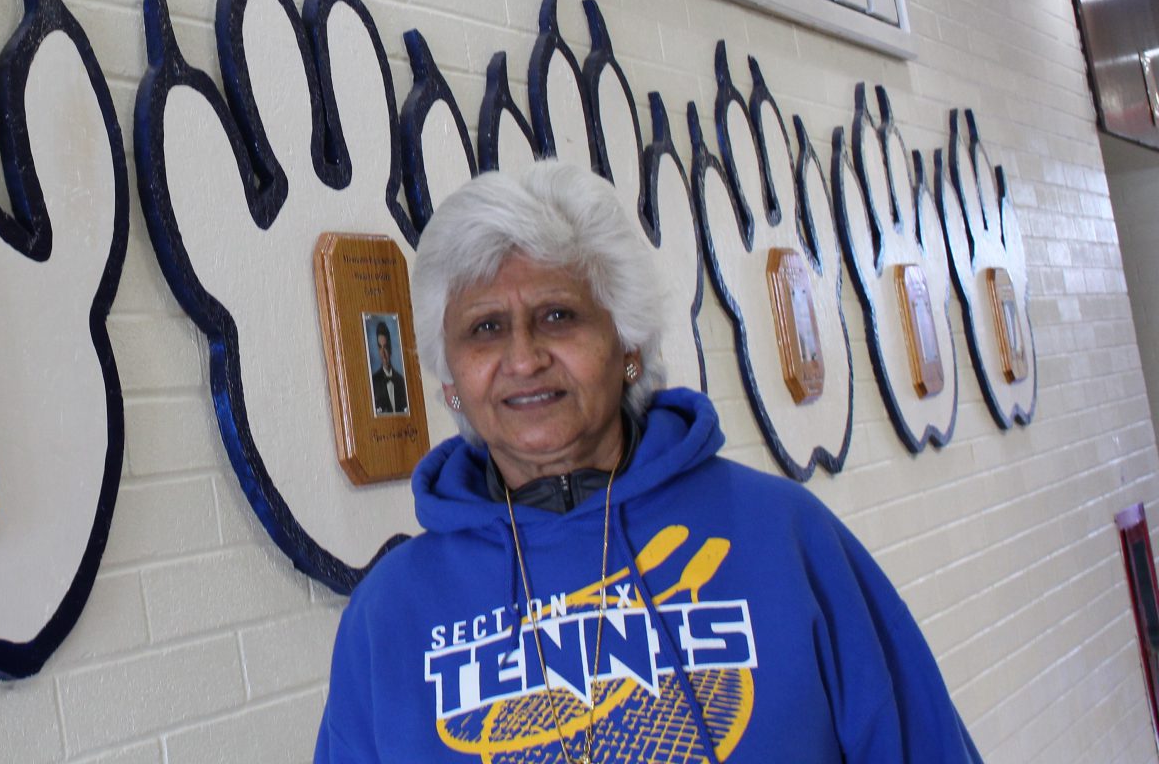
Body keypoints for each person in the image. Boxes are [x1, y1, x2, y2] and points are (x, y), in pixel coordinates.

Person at [315, 162, 981, 763]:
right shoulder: (389, 614)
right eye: (485, 328)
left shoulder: (784, 536)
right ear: (452, 380)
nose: (523, 359)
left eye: (557, 316)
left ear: (627, 344)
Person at [371, 319, 408, 415]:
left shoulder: (401, 381)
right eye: (380, 347)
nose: (383, 353)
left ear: (390, 347)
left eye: (385, 347)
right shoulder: (373, 382)